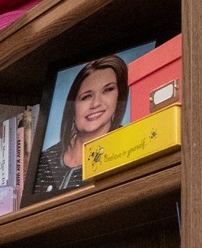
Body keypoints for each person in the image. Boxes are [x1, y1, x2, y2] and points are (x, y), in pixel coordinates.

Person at [32, 55, 129, 198]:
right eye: (86, 97)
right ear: (73, 106)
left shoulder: (130, 145)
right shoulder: (46, 159)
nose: (96, 103)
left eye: (107, 90)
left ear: (119, 95)